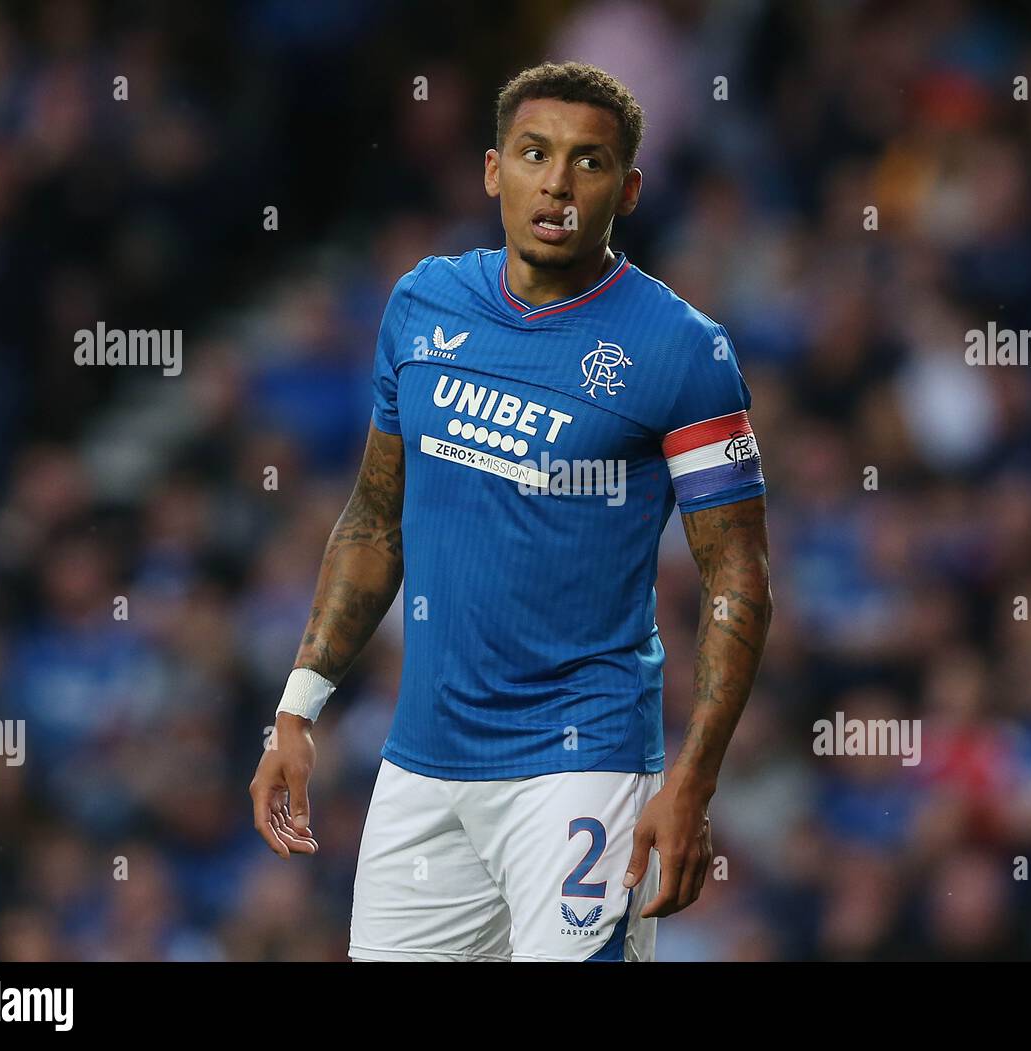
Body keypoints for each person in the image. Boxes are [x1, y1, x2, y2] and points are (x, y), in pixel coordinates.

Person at [248, 60, 772, 962]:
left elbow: (740, 573)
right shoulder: (422, 306)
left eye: (589, 162)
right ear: (495, 170)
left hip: (584, 763)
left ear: (630, 188)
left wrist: (695, 777)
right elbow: (375, 520)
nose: (558, 183)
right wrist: (298, 707)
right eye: (535, 154)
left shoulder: (683, 351)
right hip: (424, 762)